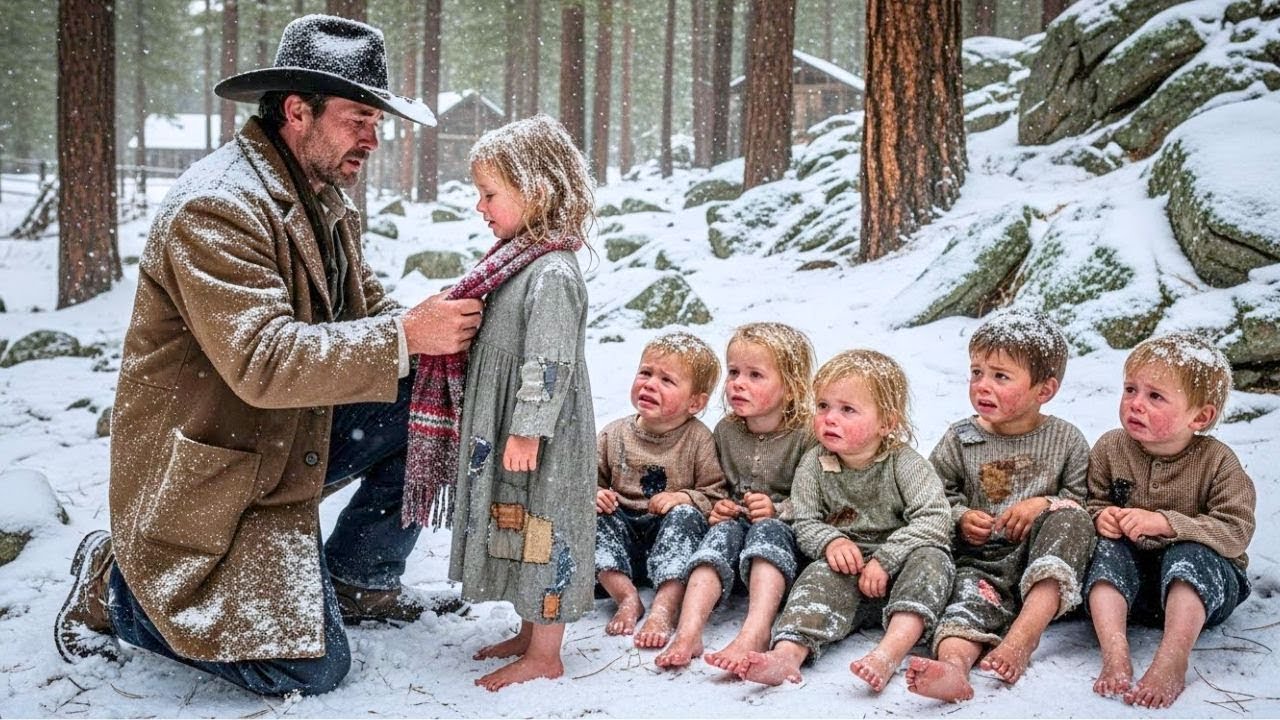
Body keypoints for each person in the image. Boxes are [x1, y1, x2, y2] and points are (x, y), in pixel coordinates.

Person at [52, 15, 483, 696]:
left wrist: (450, 333)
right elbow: (263, 360)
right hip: (211, 473)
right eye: (358, 117)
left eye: (377, 120)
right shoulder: (215, 208)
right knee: (311, 670)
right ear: (296, 110)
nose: (373, 137)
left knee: (436, 396)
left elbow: (363, 315)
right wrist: (406, 334)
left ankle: (357, 580)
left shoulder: (324, 197)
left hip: (284, 438)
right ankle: (117, 589)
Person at [414, 115, 598, 692]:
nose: (479, 206)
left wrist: (528, 429)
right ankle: (527, 629)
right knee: (513, 522)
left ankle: (546, 652)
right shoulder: (516, 263)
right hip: (508, 426)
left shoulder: (552, 273)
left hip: (539, 435)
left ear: (537, 191)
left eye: (489, 194)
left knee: (545, 526)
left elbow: (548, 361)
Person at [737, 349, 954, 693]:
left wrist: (886, 558)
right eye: (822, 406)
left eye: (847, 409)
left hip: (900, 564)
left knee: (933, 561)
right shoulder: (814, 464)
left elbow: (935, 518)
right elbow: (804, 520)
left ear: (887, 422)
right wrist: (830, 541)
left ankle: (888, 653)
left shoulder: (904, 463)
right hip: (848, 565)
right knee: (817, 576)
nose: (829, 418)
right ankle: (787, 653)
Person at [907, 309, 1094, 703]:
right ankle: (954, 668)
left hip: (1038, 556)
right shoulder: (960, 437)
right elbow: (932, 494)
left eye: (1000, 376)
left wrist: (1045, 504)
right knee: (967, 602)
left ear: (1044, 390)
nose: (982, 386)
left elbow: (1084, 502)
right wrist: (960, 517)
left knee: (1070, 521)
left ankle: (1022, 639)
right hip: (982, 561)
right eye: (977, 372)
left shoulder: (1066, 440)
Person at [1085, 332, 1254, 709]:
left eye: (1155, 396)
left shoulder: (1217, 462)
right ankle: (1115, 651)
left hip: (1203, 590)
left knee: (1189, 556)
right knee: (1104, 552)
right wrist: (1102, 517)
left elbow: (1236, 531)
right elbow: (1091, 500)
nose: (1136, 404)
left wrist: (1167, 523)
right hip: (1135, 589)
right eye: (1130, 390)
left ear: (1200, 416)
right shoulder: (1110, 448)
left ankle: (1172, 658)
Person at [654, 323, 816, 671]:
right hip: (737, 534)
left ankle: (754, 632)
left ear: (791, 388)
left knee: (767, 531)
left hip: (784, 543)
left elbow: (820, 499)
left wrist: (780, 509)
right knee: (717, 537)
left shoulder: (807, 435)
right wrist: (720, 507)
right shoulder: (727, 431)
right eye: (734, 372)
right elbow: (716, 485)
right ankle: (688, 631)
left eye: (755, 375)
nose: (737, 383)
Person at [595, 333, 727, 649]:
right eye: (645, 373)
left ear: (695, 402)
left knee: (685, 515)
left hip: (668, 540)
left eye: (667, 380)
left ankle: (665, 606)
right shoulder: (614, 434)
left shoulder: (698, 440)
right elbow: (588, 481)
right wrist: (595, 494)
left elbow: (716, 495)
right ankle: (626, 597)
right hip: (623, 537)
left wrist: (684, 497)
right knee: (591, 517)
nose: (650, 384)